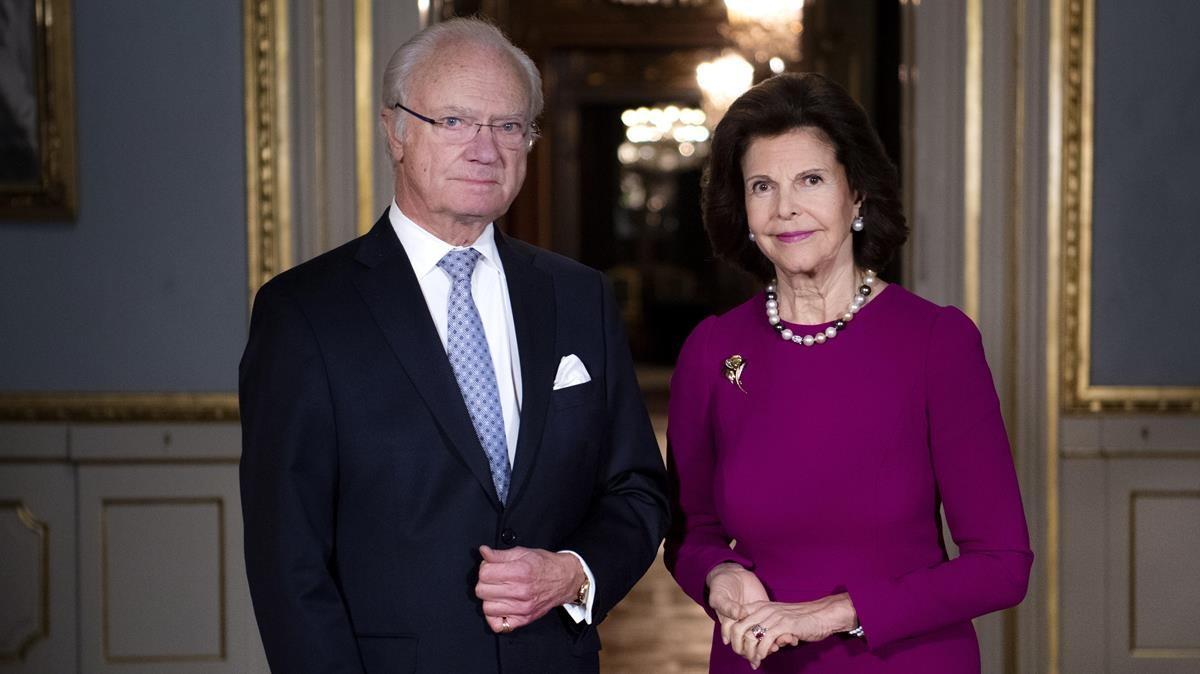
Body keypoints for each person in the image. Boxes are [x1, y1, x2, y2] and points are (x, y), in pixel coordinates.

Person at [239, 18, 668, 674]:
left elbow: (636, 487)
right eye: (455, 121)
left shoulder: (580, 297)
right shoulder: (304, 314)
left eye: (508, 126)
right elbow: (287, 560)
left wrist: (575, 572)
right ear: (396, 131)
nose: (485, 149)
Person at [664, 72, 1033, 673]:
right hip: (757, 662)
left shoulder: (936, 342)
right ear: (743, 208)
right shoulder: (713, 351)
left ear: (856, 195)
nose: (786, 208)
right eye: (763, 186)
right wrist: (720, 574)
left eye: (811, 180)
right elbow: (689, 532)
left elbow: (1002, 564)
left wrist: (831, 612)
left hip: (904, 661)